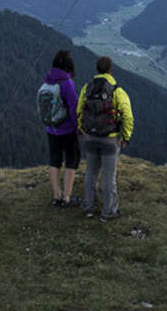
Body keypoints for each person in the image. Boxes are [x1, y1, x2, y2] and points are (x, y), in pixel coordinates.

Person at [76, 56, 133, 221]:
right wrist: (126, 137)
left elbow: (79, 110)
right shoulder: (116, 91)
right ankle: (108, 212)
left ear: (97, 69)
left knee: (91, 172)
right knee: (109, 175)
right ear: (111, 69)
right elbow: (128, 116)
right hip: (110, 139)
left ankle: (89, 207)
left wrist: (82, 130)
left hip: (90, 137)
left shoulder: (87, 88)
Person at [41, 50, 81, 207]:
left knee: (54, 160)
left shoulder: (47, 81)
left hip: (51, 128)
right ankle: (67, 198)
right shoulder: (66, 83)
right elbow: (74, 108)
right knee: (71, 160)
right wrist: (78, 127)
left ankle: (56, 196)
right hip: (67, 129)